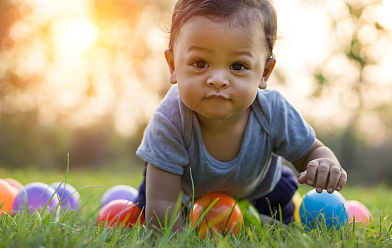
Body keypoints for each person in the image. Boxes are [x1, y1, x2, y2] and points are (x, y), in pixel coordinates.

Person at [134, 0, 347, 233]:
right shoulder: (170, 120)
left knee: (281, 222)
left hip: (261, 191)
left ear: (264, 72)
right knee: (150, 211)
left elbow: (311, 151)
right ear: (173, 66)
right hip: (182, 195)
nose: (217, 79)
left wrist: (324, 162)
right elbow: (163, 203)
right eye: (200, 63)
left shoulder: (273, 112)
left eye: (237, 66)